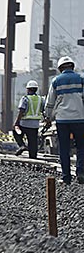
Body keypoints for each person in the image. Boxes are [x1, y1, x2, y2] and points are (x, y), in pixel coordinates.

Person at [44, 56, 84, 184]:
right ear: (72, 66)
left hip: (62, 120)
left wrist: (48, 117)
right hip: (79, 118)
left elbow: (50, 102)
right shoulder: (81, 79)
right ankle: (81, 172)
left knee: (64, 149)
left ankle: (66, 177)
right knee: (81, 147)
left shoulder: (56, 81)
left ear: (60, 68)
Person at [14, 80, 44, 159]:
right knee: (33, 142)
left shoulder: (25, 98)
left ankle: (22, 145)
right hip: (35, 125)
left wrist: (16, 122)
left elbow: (21, 111)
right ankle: (33, 158)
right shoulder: (40, 99)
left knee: (17, 133)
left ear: (28, 89)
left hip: (24, 123)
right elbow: (44, 110)